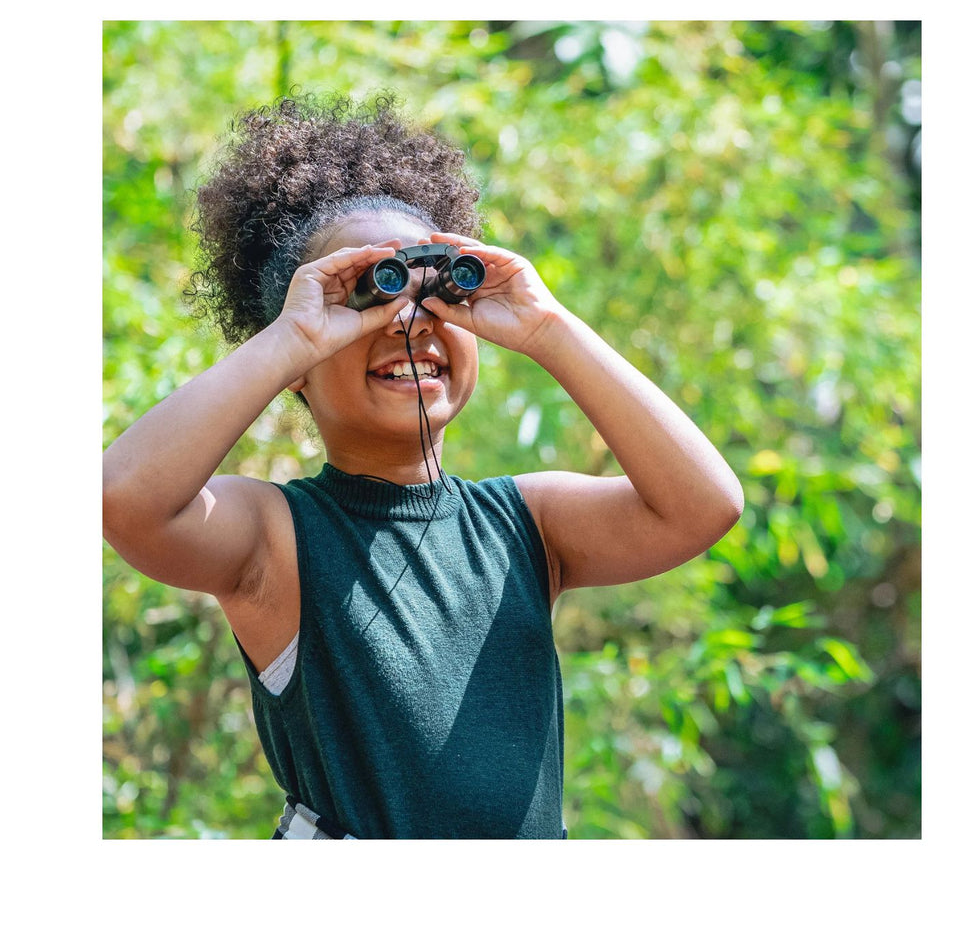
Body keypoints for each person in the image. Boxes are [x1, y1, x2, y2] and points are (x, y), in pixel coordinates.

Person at [102, 91, 744, 839]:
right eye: (368, 294)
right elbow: (123, 498)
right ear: (297, 365)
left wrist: (547, 325)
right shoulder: (277, 537)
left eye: (437, 289)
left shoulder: (528, 524)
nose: (408, 321)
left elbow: (705, 503)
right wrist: (292, 338)